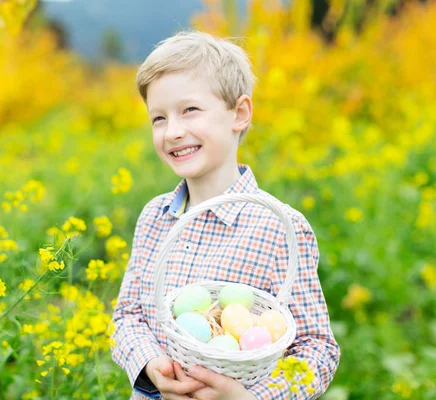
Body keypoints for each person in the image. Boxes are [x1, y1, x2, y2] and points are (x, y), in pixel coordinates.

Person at [110, 30, 340, 400]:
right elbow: (127, 317)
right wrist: (152, 367)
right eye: (158, 118)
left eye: (190, 110)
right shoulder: (155, 217)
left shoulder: (278, 226)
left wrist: (250, 398)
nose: (173, 132)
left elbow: (317, 349)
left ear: (239, 113)